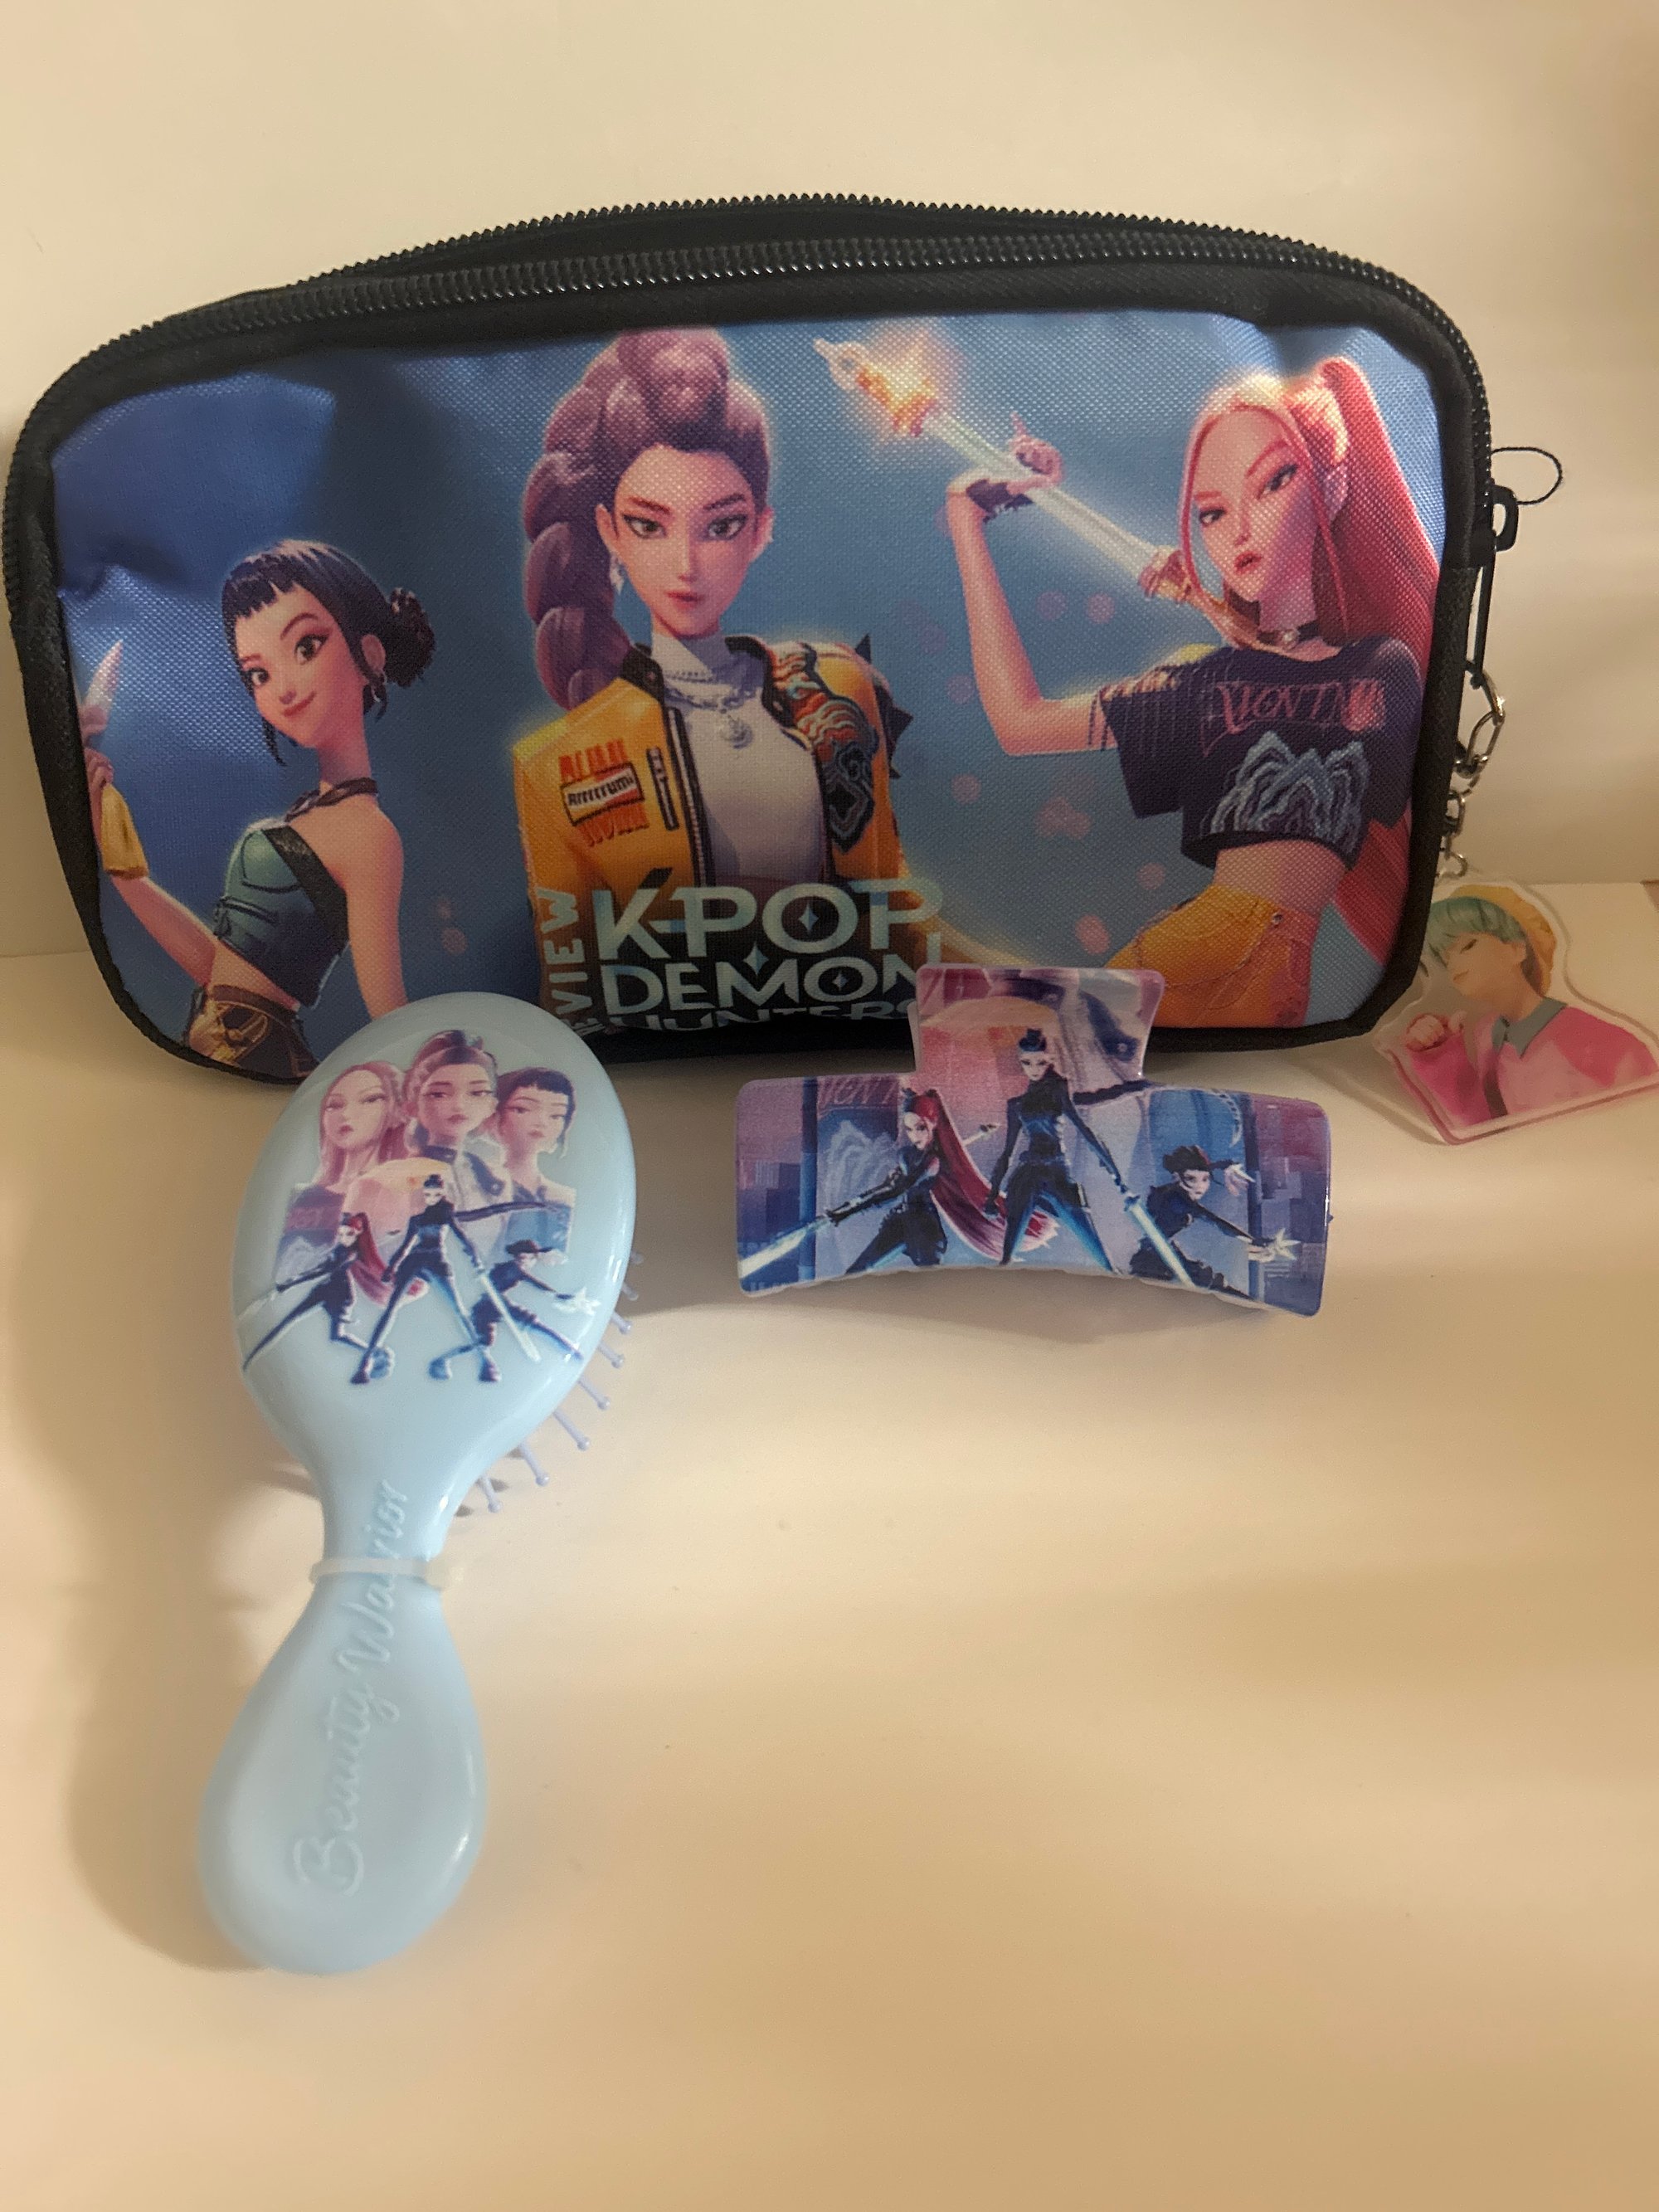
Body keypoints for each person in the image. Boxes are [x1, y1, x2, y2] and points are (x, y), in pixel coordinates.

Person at [943, 358, 1438, 1025]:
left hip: (1269, 960)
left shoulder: (1380, 667)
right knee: (1019, 1042)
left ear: (1335, 480)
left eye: (1275, 481)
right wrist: (967, 525)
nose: (1240, 531)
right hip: (1201, 946)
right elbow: (1021, 722)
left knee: (1038, 1041)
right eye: (1212, 513)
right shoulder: (1206, 682)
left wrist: (1209, 606)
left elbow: (1318, 706)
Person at [513, 327, 927, 1021]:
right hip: (673, 1068)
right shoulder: (556, 763)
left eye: (721, 526)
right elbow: (576, 994)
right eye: (649, 526)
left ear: (761, 529)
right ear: (610, 532)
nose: (686, 565)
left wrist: (1044, 991)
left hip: (856, 1048)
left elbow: (902, 923)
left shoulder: (835, 686)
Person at [79, 542, 434, 1075]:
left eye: (307, 646)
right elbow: (216, 970)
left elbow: (386, 1007)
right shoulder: (312, 814)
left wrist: (440, 1075)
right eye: (258, 674)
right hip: (220, 1045)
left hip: (255, 1051)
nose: (283, 689)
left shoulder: (369, 834)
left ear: (372, 655)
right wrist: (122, 869)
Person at [1397, 886, 1659, 1128]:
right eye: (1446, 958)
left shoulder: (1598, 1039)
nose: (1454, 965)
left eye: (1468, 945)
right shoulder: (1487, 1034)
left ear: (1517, 948)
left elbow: (1643, 1119)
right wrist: (1440, 1055)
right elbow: (1484, 1126)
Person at [343, 1030, 508, 1256]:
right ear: (411, 1106)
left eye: (477, 1093)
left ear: (491, 1105)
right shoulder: (377, 1183)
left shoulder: (495, 1178)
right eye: (439, 1094)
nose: (459, 1105)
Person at [826, 1087, 1007, 1274]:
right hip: (900, 1224)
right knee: (856, 1271)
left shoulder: (933, 1161)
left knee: (930, 1285)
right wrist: (848, 1209)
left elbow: (896, 1192)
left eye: (920, 1128)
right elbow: (888, 1187)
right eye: (909, 1129)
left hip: (925, 1231)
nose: (914, 1135)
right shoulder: (908, 1154)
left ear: (932, 1124)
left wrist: (847, 1212)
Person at [984, 1030, 1123, 1268]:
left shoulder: (1058, 1090)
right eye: (1027, 1062)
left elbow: (1084, 1130)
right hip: (1029, 1172)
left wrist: (1114, 1171)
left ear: (1049, 1060)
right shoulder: (1017, 1105)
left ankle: (1113, 1273)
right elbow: (1007, 1152)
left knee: (1093, 1242)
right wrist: (992, 1195)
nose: (1034, 1069)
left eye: (1040, 1062)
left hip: (1057, 1170)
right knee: (1007, 1253)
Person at [351, 1175, 497, 1386]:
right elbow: (406, 1246)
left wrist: (475, 1258)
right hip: (415, 1260)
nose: (431, 1199)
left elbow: (463, 1238)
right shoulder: (417, 1219)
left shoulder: (445, 1215)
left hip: (436, 1259)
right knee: (391, 1309)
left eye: (436, 1195)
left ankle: (486, 1361)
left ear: (442, 1194)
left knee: (458, 1309)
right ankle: (365, 1364)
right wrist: (392, 1267)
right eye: (428, 1195)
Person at [278, 1059, 409, 1267]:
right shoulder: (305, 1197)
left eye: (370, 1100)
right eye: (334, 1105)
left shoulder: (402, 1193)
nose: (346, 1115)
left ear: (396, 1112)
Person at [1127, 1146, 1287, 1293]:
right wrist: (1251, 1240)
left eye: (1205, 1179)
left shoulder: (1181, 1197)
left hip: (1165, 1253)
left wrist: (1226, 1165)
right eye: (1191, 1179)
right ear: (1177, 1177)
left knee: (1213, 1285)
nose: (1200, 1186)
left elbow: (1207, 1172)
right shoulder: (1177, 1200)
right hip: (1156, 1258)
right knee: (1211, 1285)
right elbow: (1215, 1221)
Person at [242, 1212, 381, 1367]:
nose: (343, 1238)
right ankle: (252, 1357)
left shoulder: (350, 1254)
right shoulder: (340, 1249)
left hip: (341, 1297)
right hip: (327, 1288)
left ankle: (373, 1352)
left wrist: (292, 1282)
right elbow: (321, 1267)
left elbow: (323, 1270)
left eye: (349, 1234)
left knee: (336, 1335)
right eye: (341, 1233)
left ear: (358, 1234)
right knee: (290, 1319)